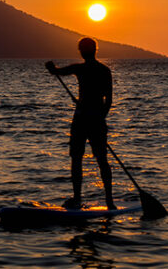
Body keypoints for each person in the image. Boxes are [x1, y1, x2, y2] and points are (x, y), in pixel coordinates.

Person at [45, 37, 116, 210]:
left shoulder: (84, 69)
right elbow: (109, 101)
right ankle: (108, 201)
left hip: (84, 119)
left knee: (79, 159)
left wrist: (51, 69)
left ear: (83, 51)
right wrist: (101, 118)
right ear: (94, 50)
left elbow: (58, 72)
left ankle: (81, 199)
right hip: (94, 119)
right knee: (99, 159)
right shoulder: (103, 70)